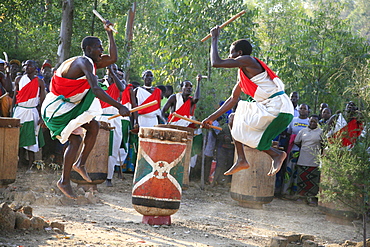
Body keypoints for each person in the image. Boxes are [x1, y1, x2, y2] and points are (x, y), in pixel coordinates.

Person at [41, 20, 130, 199]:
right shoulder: (84, 62)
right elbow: (96, 89)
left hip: (69, 106)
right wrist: (119, 106)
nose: (102, 50)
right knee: (79, 136)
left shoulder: (92, 62)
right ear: (89, 49)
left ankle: (76, 168)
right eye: (99, 47)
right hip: (57, 108)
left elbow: (113, 59)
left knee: (93, 127)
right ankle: (67, 177)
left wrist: (109, 33)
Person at [201, 26, 294, 177]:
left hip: (277, 107)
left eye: (231, 54)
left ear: (239, 53)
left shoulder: (247, 60)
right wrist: (211, 118)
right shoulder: (243, 75)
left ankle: (247, 158)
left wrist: (215, 37)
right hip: (279, 110)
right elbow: (233, 99)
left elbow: (216, 63)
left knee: (234, 118)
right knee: (239, 125)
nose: (230, 57)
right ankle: (261, 156)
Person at [12, 60, 46, 170]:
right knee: (18, 135)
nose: (27, 67)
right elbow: (15, 97)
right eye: (25, 65)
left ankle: (31, 164)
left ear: (35, 68)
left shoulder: (40, 82)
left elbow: (42, 101)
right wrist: (12, 111)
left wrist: (42, 117)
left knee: (32, 137)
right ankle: (18, 162)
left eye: (29, 65)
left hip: (32, 112)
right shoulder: (19, 79)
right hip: (20, 111)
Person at [97, 64, 126, 187]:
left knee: (113, 148)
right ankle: (95, 173)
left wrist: (113, 73)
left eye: (114, 69)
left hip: (114, 119)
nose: (112, 71)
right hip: (100, 117)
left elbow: (122, 88)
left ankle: (109, 177)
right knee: (98, 147)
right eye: (109, 68)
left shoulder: (120, 82)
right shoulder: (99, 82)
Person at [294, 115, 323, 206]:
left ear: (318, 123)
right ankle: (301, 196)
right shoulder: (303, 131)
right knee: (302, 178)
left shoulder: (321, 132)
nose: (313, 123)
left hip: (314, 160)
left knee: (313, 180)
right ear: (308, 121)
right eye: (311, 121)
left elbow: (323, 144)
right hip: (303, 158)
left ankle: (312, 198)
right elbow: (297, 142)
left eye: (315, 122)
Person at [282, 103, 310, 197]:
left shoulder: (310, 122)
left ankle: (296, 193)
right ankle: (286, 192)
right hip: (293, 150)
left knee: (299, 172)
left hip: (304, 152)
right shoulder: (293, 120)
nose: (302, 110)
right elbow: (289, 133)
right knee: (289, 170)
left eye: (304, 108)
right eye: (301, 108)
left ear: (308, 111)